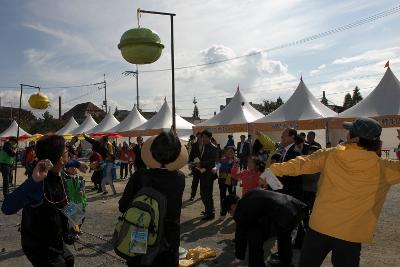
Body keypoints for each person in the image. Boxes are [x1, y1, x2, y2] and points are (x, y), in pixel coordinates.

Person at [269, 118, 400, 267]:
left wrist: (273, 170)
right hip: (351, 235)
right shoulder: (385, 168)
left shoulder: (331, 154)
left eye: (349, 132)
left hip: (320, 227)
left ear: (354, 138)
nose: (346, 134)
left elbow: (300, 163)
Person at [1, 135, 86, 267]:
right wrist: (33, 181)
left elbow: (62, 203)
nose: (68, 153)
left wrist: (78, 163)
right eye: (66, 151)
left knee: (69, 260)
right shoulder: (38, 184)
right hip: (38, 245)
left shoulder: (59, 171)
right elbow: (7, 207)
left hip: (55, 238)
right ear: (59, 158)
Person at [118, 131, 186, 267]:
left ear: (152, 151)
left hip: (139, 234)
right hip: (168, 240)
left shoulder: (139, 176)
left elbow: (123, 206)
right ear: (177, 154)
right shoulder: (179, 178)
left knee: (138, 262)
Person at [223, 189, 306, 267]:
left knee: (254, 237)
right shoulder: (250, 194)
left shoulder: (241, 210)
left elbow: (240, 236)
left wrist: (238, 258)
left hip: (285, 215)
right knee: (283, 237)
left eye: (229, 211)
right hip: (297, 207)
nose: (231, 214)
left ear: (233, 206)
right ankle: (286, 263)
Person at [197, 130, 218, 220]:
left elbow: (213, 161)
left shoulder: (213, 147)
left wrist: (201, 163)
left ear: (209, 138)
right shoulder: (203, 146)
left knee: (207, 193)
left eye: (205, 137)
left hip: (209, 173)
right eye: (202, 137)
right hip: (203, 172)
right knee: (203, 193)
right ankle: (208, 210)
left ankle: (210, 213)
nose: (203, 139)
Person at [301, 145, 320, 230]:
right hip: (305, 190)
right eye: (309, 152)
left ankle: (312, 226)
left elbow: (313, 177)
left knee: (313, 210)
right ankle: (306, 225)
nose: (310, 154)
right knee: (305, 209)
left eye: (312, 153)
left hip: (314, 190)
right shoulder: (306, 161)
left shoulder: (320, 163)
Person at [218, 147, 235, 218]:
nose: (229, 153)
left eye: (231, 151)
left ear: (234, 153)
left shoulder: (236, 160)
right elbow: (218, 166)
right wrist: (215, 168)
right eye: (227, 151)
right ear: (225, 152)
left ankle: (233, 211)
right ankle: (223, 212)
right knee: (222, 196)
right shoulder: (222, 160)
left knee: (232, 196)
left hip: (231, 180)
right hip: (222, 179)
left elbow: (236, 171)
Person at [188, 132, 203, 201]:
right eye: (198, 137)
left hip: (203, 166)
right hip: (196, 166)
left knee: (203, 182)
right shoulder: (194, 145)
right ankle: (192, 195)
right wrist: (190, 163)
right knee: (195, 182)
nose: (199, 138)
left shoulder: (206, 145)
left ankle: (202, 195)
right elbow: (191, 155)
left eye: (200, 137)